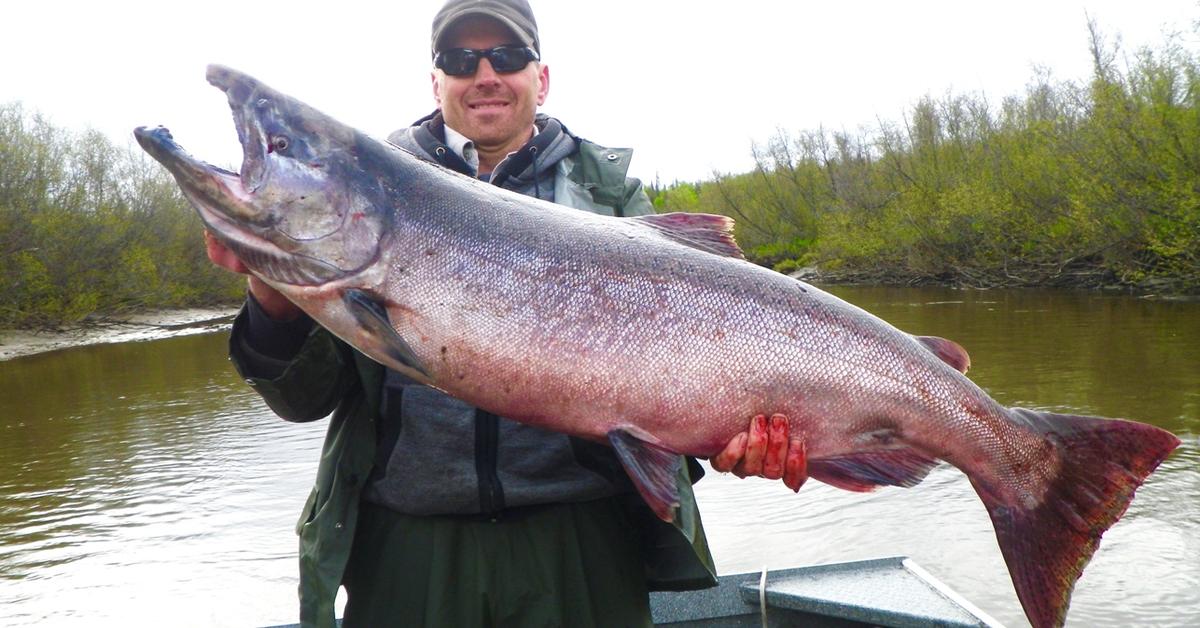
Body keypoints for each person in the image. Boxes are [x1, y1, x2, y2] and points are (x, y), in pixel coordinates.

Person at [205, 1, 805, 626]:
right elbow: (304, 401)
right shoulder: (369, 195)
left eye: (508, 56)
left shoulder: (609, 197)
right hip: (410, 548)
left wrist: (732, 437)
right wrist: (273, 297)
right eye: (461, 60)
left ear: (540, 78)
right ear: (435, 81)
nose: (485, 73)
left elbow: (680, 385)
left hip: (580, 543)